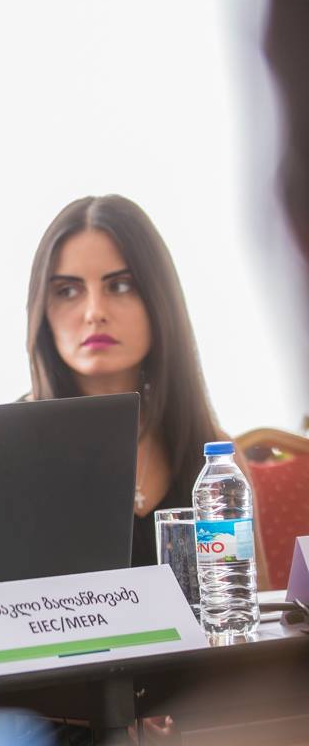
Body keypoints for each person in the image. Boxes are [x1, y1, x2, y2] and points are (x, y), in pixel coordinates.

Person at [23, 194, 259, 572]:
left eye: (119, 286)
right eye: (67, 290)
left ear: (158, 301)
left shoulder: (212, 457)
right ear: (42, 311)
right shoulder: (10, 449)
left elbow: (250, 602)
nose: (94, 312)